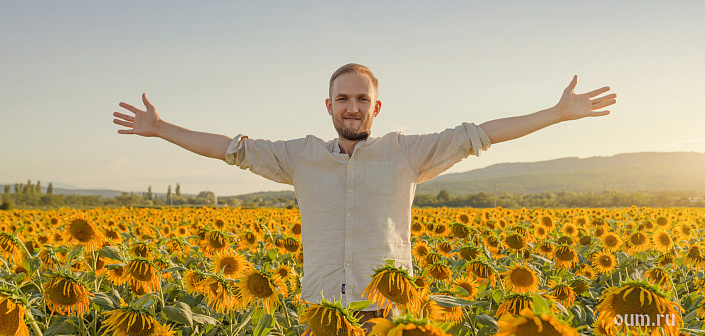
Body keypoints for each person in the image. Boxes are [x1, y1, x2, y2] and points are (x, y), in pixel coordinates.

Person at [113, 63, 616, 332]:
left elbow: (480, 133)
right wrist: (160, 129)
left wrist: (555, 112)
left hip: (387, 312)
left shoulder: (407, 152)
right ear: (328, 105)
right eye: (343, 98)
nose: (352, 107)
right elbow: (229, 150)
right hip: (321, 312)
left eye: (361, 99)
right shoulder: (298, 156)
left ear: (376, 106)